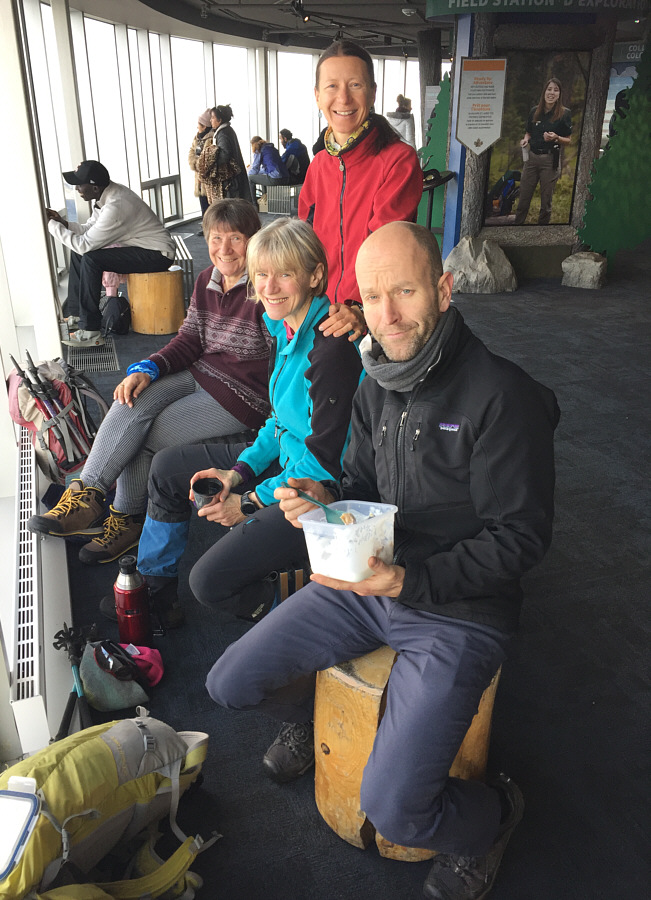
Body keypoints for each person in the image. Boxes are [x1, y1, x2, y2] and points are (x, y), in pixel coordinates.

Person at [206, 221, 560, 900]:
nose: (388, 314)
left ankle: (491, 820)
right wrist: (327, 497)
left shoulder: (502, 396)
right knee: (229, 683)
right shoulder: (376, 381)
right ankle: (316, 717)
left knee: (400, 809)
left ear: (444, 289)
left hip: (458, 610)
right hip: (368, 580)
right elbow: (366, 491)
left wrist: (409, 579)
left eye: (404, 291)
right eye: (372, 297)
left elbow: (519, 540)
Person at [29, 200, 270, 614]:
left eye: (236, 238)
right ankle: (88, 494)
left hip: (241, 395)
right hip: (199, 370)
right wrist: (149, 366)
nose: (225, 248)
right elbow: (191, 337)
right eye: (215, 238)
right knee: (129, 397)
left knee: (145, 436)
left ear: (254, 241)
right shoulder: (208, 279)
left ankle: (124, 518)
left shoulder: (265, 286)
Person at [133, 217, 363, 629]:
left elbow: (324, 465)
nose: (270, 288)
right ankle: (154, 590)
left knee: (209, 583)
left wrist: (251, 502)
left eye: (285, 274)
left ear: (314, 275)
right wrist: (237, 473)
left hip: (322, 489)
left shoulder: (330, 350)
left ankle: (301, 617)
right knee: (166, 467)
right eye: (262, 275)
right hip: (288, 461)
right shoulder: (284, 327)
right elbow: (278, 422)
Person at [298, 40, 423, 344]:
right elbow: (305, 244)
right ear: (317, 96)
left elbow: (387, 250)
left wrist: (358, 306)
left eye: (355, 84)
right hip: (320, 308)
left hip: (372, 312)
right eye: (331, 86)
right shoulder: (318, 165)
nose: (343, 97)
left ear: (372, 93)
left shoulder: (398, 160)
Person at [47, 160, 176, 345]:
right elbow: (88, 229)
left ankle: (91, 331)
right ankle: (76, 315)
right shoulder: (107, 196)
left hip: (158, 254)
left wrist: (50, 225)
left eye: (79, 184)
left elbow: (85, 245)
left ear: (94, 187)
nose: (77, 189)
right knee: (80, 254)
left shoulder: (116, 206)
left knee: (91, 258)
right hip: (142, 247)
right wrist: (63, 223)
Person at [513, 77, 572, 226]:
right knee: (524, 197)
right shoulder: (535, 111)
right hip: (531, 158)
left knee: (546, 202)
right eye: (549, 89)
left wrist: (556, 137)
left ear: (559, 94)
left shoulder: (564, 113)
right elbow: (528, 132)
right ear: (544, 92)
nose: (551, 93)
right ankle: (517, 227)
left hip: (549, 160)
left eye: (555, 90)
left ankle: (542, 230)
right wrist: (525, 139)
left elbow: (568, 139)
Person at [210, 105, 252, 202]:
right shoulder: (228, 130)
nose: (210, 121)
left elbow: (225, 155)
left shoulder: (222, 134)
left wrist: (212, 161)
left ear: (219, 120)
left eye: (212, 118)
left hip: (231, 179)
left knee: (231, 207)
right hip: (235, 177)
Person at [188, 108, 215, 228]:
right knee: (202, 202)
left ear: (204, 126)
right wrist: (194, 163)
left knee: (210, 204)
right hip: (198, 177)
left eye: (199, 124)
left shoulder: (211, 139)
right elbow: (191, 152)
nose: (197, 127)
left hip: (207, 177)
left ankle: (210, 227)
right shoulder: (197, 138)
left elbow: (207, 158)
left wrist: (198, 164)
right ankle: (205, 225)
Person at [247, 136, 290, 207]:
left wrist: (248, 173)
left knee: (250, 178)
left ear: (253, 145)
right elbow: (270, 166)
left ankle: (254, 205)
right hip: (286, 177)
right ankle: (266, 202)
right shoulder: (272, 149)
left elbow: (255, 169)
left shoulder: (258, 150)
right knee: (264, 176)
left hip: (276, 179)